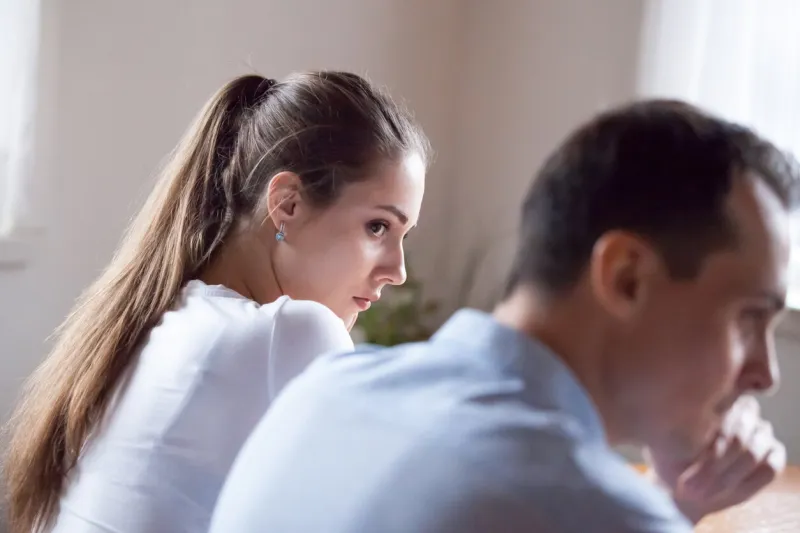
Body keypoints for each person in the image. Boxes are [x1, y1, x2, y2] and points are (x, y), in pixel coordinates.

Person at [208, 100, 797, 533]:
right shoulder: (590, 510)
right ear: (626, 278)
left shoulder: (324, 392)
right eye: (748, 318)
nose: (764, 374)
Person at [3, 71, 430, 533]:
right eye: (378, 227)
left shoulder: (153, 321)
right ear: (287, 204)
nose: (398, 271)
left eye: (402, 236)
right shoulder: (289, 333)